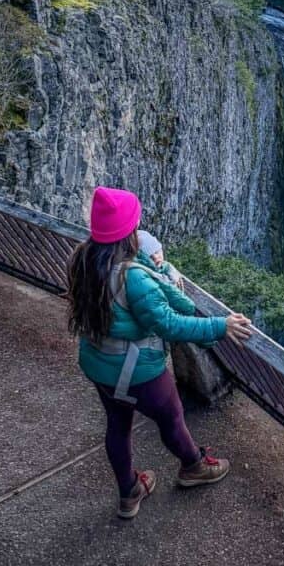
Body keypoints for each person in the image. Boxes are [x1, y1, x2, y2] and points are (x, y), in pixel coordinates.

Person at [67, 185, 252, 519]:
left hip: (98, 362)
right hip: (137, 370)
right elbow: (170, 324)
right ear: (127, 235)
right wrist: (220, 326)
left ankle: (129, 492)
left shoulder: (83, 259)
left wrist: (159, 269)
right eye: (135, 226)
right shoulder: (134, 279)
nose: (139, 231)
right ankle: (193, 466)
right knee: (171, 418)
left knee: (117, 426)